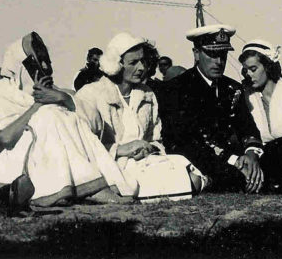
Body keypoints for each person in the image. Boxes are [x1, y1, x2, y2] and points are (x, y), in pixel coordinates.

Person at [0, 33, 135, 209]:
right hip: (8, 165)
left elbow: (94, 126)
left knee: (63, 114)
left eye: (47, 61)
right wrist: (37, 106)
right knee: (49, 114)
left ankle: (79, 188)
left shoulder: (54, 92)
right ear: (21, 65)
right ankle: (82, 189)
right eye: (39, 61)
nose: (46, 67)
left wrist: (63, 98)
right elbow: (2, 140)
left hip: (44, 162)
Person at [159, 24, 282, 194]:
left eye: (223, 54)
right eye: (212, 54)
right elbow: (186, 142)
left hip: (238, 161)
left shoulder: (232, 88)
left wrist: (252, 155)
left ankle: (258, 181)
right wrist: (235, 161)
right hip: (205, 159)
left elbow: (247, 128)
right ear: (196, 53)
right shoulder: (176, 88)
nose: (219, 61)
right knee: (218, 170)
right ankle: (268, 183)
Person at [74, 33, 206, 202]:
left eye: (143, 61)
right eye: (133, 62)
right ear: (116, 64)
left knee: (187, 170)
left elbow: (156, 138)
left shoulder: (146, 94)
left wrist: (149, 148)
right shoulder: (90, 94)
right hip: (111, 165)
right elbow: (84, 145)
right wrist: (120, 149)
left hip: (146, 162)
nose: (142, 67)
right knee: (190, 182)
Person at [237, 39, 282, 193]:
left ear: (268, 66)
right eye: (245, 70)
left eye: (253, 69)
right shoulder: (245, 97)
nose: (248, 74)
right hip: (263, 160)